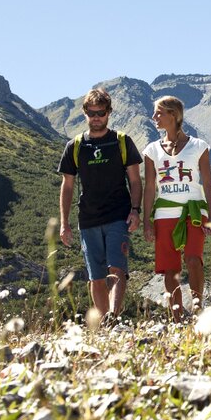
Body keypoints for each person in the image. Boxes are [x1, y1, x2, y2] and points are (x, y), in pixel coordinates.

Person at [58, 88, 142, 318]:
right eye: (91, 113)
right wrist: (64, 223)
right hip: (88, 219)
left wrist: (135, 210)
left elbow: (135, 180)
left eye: (101, 113)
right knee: (95, 276)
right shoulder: (75, 146)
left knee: (117, 268)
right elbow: (67, 186)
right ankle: (105, 324)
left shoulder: (122, 141)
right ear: (84, 113)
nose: (96, 117)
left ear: (109, 112)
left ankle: (113, 317)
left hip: (118, 215)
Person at [142, 96, 211, 319]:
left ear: (173, 115)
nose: (154, 117)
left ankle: (197, 310)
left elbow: (208, 183)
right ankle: (177, 319)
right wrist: (146, 221)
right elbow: (149, 188)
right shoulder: (151, 150)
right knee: (170, 268)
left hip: (194, 211)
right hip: (164, 213)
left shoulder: (199, 146)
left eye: (159, 113)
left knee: (193, 260)